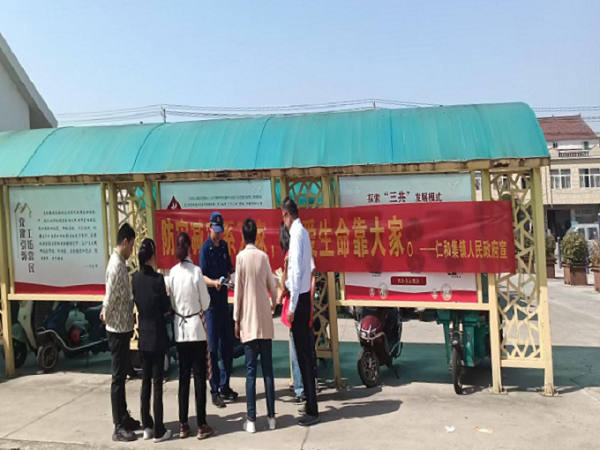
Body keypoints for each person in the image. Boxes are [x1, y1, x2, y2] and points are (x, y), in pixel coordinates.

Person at [166, 232, 214, 441]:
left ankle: (183, 423)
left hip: (181, 329)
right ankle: (201, 424)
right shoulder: (196, 272)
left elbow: (172, 303)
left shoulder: (173, 273)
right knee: (199, 378)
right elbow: (206, 303)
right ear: (189, 249)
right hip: (196, 328)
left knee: (183, 378)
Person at [233, 218, 279, 434]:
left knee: (250, 372)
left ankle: (251, 420)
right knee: (268, 370)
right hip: (264, 321)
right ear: (257, 235)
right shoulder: (264, 257)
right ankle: (272, 417)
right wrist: (274, 303)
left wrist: (236, 319)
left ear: (243, 236)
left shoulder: (240, 258)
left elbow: (238, 292)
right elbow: (272, 285)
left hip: (248, 321)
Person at [282, 197, 320, 427]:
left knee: (304, 356)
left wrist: (292, 307)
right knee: (306, 354)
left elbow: (295, 274)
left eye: (284, 217)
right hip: (305, 297)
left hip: (300, 299)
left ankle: (312, 409)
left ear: (288, 215)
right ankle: (310, 404)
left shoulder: (296, 235)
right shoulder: (303, 232)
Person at [101, 223, 140, 442]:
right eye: (131, 245)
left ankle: (124, 416)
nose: (132, 250)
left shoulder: (120, 262)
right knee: (117, 377)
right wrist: (105, 312)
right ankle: (118, 426)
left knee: (123, 374)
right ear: (125, 242)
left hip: (123, 327)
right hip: (116, 329)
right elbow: (110, 295)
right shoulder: (116, 266)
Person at [132, 238, 172, 443]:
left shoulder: (135, 279)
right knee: (157, 384)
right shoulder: (158, 280)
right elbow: (165, 306)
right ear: (152, 257)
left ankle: (147, 425)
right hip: (157, 335)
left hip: (144, 336)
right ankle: (159, 429)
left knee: (145, 383)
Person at [199, 211, 238, 408]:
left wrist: (230, 280)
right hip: (211, 306)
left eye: (220, 231)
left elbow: (229, 269)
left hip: (224, 304)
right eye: (216, 231)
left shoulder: (223, 246)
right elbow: (202, 277)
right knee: (213, 349)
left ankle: (225, 385)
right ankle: (214, 390)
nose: (218, 235)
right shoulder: (205, 249)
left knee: (228, 346)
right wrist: (214, 282)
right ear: (209, 228)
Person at [278, 222, 316, 405]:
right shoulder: (302, 246)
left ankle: (302, 389)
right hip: (302, 303)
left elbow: (289, 285)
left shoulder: (294, 250)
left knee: (299, 350)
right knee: (302, 349)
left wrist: (293, 308)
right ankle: (306, 390)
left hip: (298, 305)